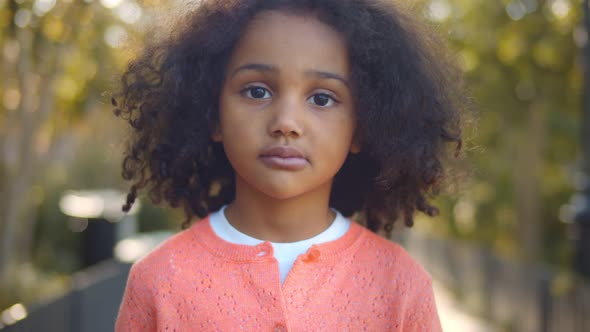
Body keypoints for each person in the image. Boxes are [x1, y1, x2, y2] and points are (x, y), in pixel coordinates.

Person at [113, 0, 468, 330]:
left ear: (362, 126)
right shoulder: (157, 281)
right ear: (213, 113)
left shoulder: (401, 286)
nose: (286, 121)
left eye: (322, 98)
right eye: (257, 91)